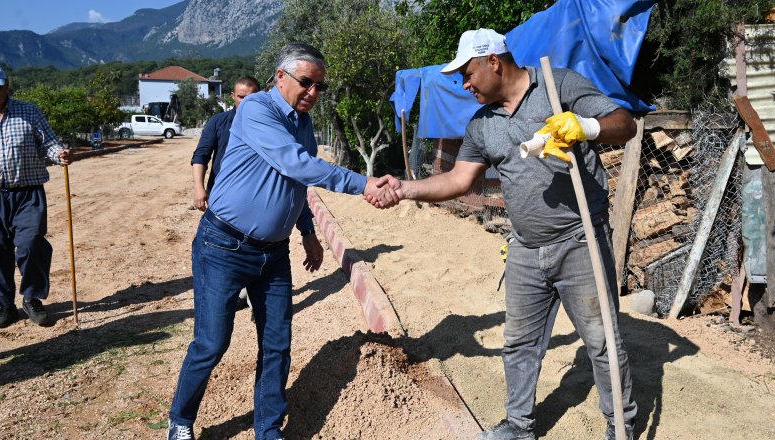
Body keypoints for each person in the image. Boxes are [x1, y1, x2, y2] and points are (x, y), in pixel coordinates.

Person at [369, 29, 638, 440]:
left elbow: (624, 124)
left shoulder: (558, 85)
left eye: (468, 72)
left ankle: (620, 426)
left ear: (493, 61)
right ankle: (518, 425)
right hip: (526, 249)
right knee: (520, 343)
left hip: (579, 239)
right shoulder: (481, 124)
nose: (464, 83)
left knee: (602, 341)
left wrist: (584, 126)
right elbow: (459, 180)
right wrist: (404, 188)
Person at [167, 43, 396, 440]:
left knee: (277, 345)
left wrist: (307, 232)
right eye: (306, 82)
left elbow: (298, 182)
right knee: (211, 343)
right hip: (223, 246)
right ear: (280, 77)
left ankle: (268, 429)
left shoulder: (303, 123)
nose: (312, 93)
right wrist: (362, 184)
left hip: (273, 254)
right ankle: (181, 421)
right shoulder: (257, 109)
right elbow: (296, 163)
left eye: (319, 87)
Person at [0, 62, 71, 329]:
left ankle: (32, 298)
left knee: (32, 243)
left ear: (6, 85)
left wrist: (60, 154)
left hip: (27, 193)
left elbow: (51, 144)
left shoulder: (29, 112)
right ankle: (5, 306)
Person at [190, 76, 262, 211]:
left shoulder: (268, 125)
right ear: (233, 96)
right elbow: (201, 155)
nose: (245, 102)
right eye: (241, 97)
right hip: (220, 195)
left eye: (250, 98)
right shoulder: (217, 122)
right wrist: (199, 189)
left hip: (256, 198)